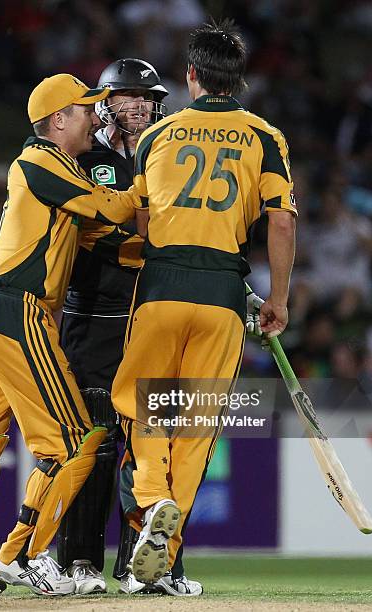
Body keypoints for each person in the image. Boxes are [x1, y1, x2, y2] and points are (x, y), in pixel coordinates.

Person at [0, 73, 139, 598]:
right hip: (17, 310)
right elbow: (114, 208)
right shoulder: (43, 161)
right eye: (86, 109)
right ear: (58, 119)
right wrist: (153, 174)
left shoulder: (59, 174)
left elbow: (112, 239)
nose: (96, 116)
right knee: (75, 443)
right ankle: (24, 554)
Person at [111, 18, 297, 585]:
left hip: (162, 286)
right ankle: (164, 556)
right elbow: (282, 222)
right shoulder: (265, 135)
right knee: (195, 425)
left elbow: (141, 219)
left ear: (190, 76)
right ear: (238, 81)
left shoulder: (156, 136)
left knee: (140, 406)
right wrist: (278, 301)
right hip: (222, 295)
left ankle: (148, 495)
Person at [56, 58, 201, 596]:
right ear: (105, 103)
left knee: (150, 446)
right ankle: (78, 565)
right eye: (129, 96)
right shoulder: (82, 156)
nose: (141, 105)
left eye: (148, 97)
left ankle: (149, 567)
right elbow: (88, 229)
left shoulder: (165, 156)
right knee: (92, 442)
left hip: (150, 318)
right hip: (91, 317)